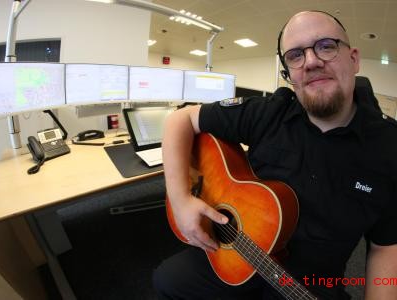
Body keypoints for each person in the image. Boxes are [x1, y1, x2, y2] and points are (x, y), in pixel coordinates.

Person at [153, 10, 397, 300]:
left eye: (326, 46)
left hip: (311, 282)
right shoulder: (268, 113)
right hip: (237, 249)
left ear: (354, 58)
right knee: (167, 280)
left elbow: (385, 247)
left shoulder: (389, 147)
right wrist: (180, 201)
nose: (311, 62)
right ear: (289, 75)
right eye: (295, 55)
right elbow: (179, 120)